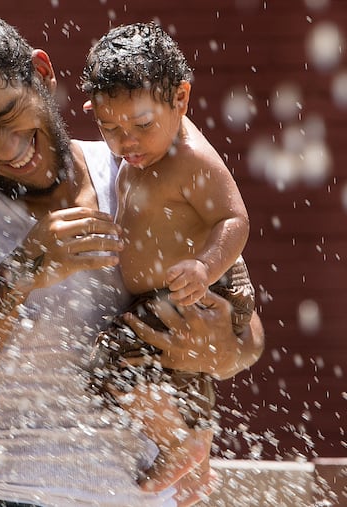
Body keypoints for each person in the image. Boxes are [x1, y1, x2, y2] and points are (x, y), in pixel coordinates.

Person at [0, 12, 264, 507]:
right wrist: (19, 273)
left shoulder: (140, 162)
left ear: (41, 73)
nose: (8, 149)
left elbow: (249, 336)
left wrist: (222, 348)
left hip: (152, 497)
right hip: (21, 494)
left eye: (8, 116)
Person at [80, 22, 256, 495]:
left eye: (140, 125)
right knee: (179, 377)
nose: (126, 142)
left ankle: (178, 445)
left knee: (110, 360)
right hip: (172, 291)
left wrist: (206, 267)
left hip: (205, 285)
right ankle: (194, 461)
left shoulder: (191, 158)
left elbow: (235, 219)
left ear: (180, 99)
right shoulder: (141, 151)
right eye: (109, 127)